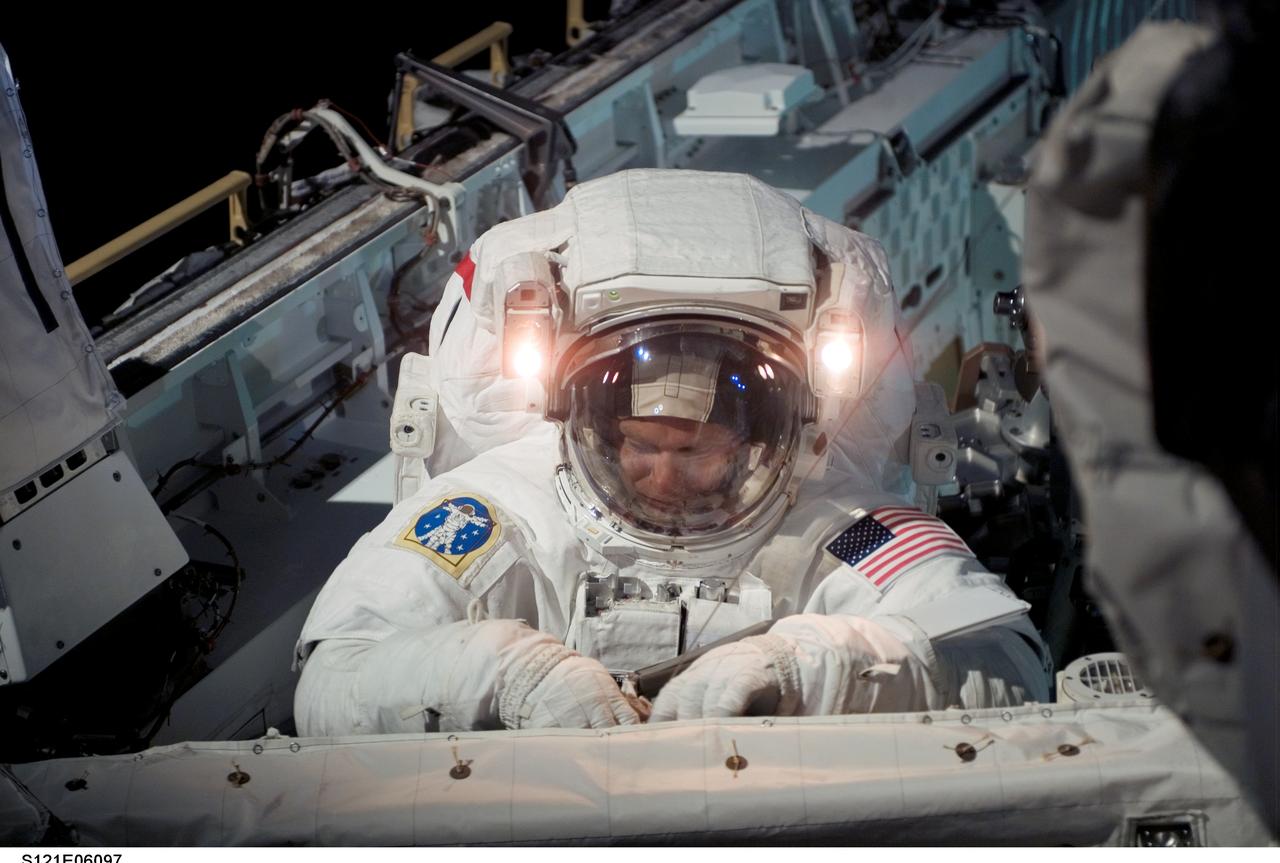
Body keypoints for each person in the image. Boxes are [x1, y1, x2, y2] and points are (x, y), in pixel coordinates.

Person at [293, 169, 1049, 735]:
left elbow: (1009, 663)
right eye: (640, 444)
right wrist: (508, 676)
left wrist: (808, 671)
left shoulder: (841, 529)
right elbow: (333, 677)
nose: (662, 474)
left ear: (762, 440)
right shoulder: (497, 516)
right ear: (588, 425)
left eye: (696, 450)